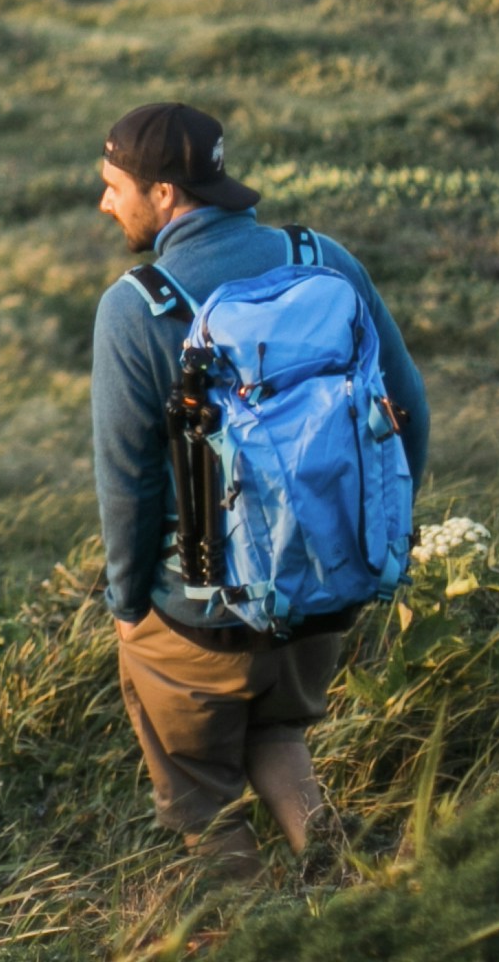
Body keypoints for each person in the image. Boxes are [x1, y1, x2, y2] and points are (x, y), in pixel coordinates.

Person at [89, 100, 429, 882]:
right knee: (278, 737)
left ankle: (244, 927)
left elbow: (129, 482)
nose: (106, 202)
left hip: (200, 617)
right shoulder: (323, 258)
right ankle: (358, 901)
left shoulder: (136, 308)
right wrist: (372, 539)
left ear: (166, 195)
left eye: (115, 186)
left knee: (205, 803)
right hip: (324, 596)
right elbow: (405, 410)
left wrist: (127, 604)